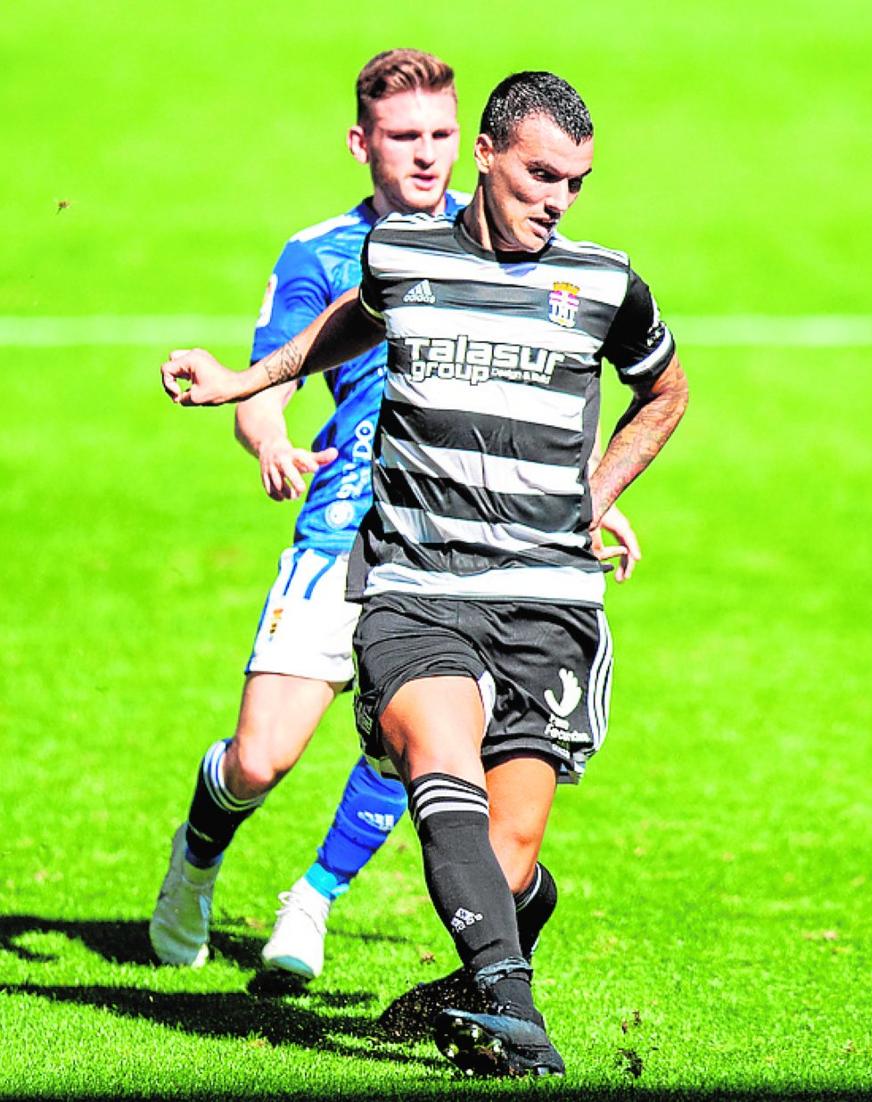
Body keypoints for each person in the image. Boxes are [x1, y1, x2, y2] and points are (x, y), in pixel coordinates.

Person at [161, 70, 688, 1078]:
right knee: (418, 753)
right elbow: (356, 316)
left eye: (575, 181)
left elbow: (665, 390)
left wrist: (592, 494)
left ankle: (480, 970)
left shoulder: (606, 282)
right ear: (489, 155)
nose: (557, 198)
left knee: (509, 857)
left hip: (547, 602)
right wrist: (247, 384)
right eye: (540, 174)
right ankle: (509, 1003)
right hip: (414, 581)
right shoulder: (398, 251)